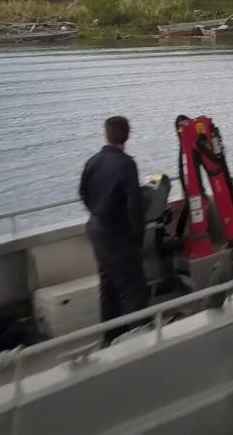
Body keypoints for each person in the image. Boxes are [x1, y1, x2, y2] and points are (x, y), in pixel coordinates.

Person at [79, 116, 150, 347]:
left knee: (108, 286)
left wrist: (99, 212)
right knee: (132, 288)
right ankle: (138, 341)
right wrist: (137, 234)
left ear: (106, 134)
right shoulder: (126, 164)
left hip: (96, 229)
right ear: (127, 136)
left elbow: (82, 192)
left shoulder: (93, 162)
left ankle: (110, 338)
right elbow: (134, 203)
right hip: (117, 235)